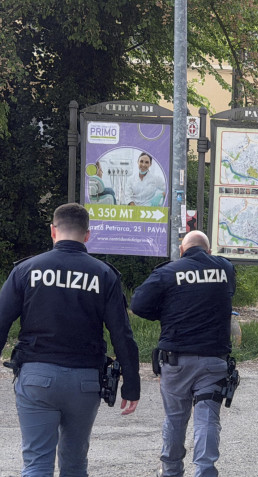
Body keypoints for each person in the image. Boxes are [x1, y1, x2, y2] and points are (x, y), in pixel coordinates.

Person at [0, 203, 140, 476]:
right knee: (75, 464)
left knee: (37, 464)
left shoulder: (26, 270)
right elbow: (122, 334)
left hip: (36, 377)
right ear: (88, 235)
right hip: (85, 381)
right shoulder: (104, 274)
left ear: (53, 231)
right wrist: (131, 385)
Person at [131, 231, 236, 477]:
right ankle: (205, 471)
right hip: (213, 360)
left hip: (176, 361)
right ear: (208, 251)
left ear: (181, 250)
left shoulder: (168, 272)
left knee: (175, 418)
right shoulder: (225, 269)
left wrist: (166, 312)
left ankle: (170, 471)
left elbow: (138, 304)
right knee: (207, 418)